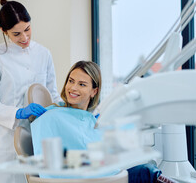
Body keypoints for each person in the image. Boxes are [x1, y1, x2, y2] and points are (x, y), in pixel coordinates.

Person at [31, 61, 177, 183]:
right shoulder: (52, 116)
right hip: (90, 180)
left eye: (82, 84)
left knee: (148, 168)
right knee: (147, 172)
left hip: (106, 176)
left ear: (94, 91)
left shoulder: (92, 119)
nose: (73, 88)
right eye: (71, 81)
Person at [0, 0, 61, 183]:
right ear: (4, 31)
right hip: (4, 140)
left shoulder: (44, 54)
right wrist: (18, 112)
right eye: (16, 34)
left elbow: (52, 94)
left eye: (27, 29)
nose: (24, 38)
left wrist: (70, 111)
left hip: (36, 136)